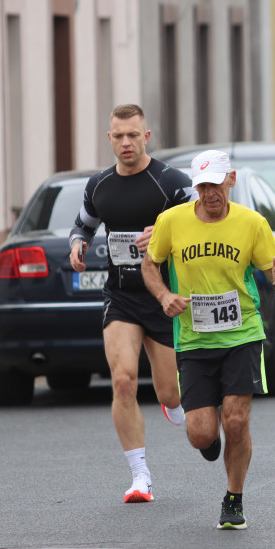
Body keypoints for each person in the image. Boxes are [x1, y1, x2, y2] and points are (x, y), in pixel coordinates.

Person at [142, 149, 275, 530]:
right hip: (194, 340)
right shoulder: (172, 222)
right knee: (202, 434)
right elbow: (150, 264)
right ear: (195, 187)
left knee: (237, 420)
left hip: (242, 333)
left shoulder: (252, 223)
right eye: (202, 186)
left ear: (232, 179)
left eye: (217, 184)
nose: (210, 193)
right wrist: (164, 296)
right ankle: (209, 443)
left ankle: (234, 498)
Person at [68, 103, 193, 504]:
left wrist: (164, 231)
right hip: (121, 297)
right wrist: (77, 243)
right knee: (122, 379)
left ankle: (174, 406)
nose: (126, 143)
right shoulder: (98, 185)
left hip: (165, 297)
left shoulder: (171, 182)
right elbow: (83, 222)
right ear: (110, 138)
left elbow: (203, 221)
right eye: (118, 136)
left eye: (133, 135)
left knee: (170, 392)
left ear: (146, 137)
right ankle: (140, 476)